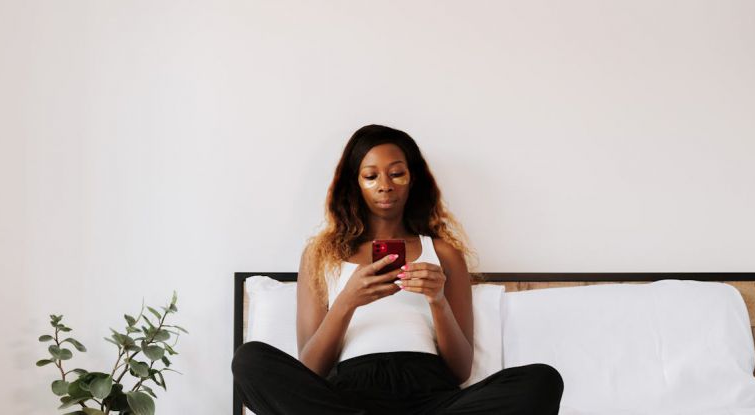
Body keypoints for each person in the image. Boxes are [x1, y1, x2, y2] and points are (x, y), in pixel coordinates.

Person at [232, 124, 564, 414]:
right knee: (249, 361)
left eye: (396, 173)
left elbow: (461, 370)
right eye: (371, 175)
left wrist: (438, 301)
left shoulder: (444, 253)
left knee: (542, 381)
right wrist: (348, 300)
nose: (385, 185)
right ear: (355, 183)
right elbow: (312, 368)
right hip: (348, 396)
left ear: (412, 179)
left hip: (430, 395)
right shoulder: (321, 256)